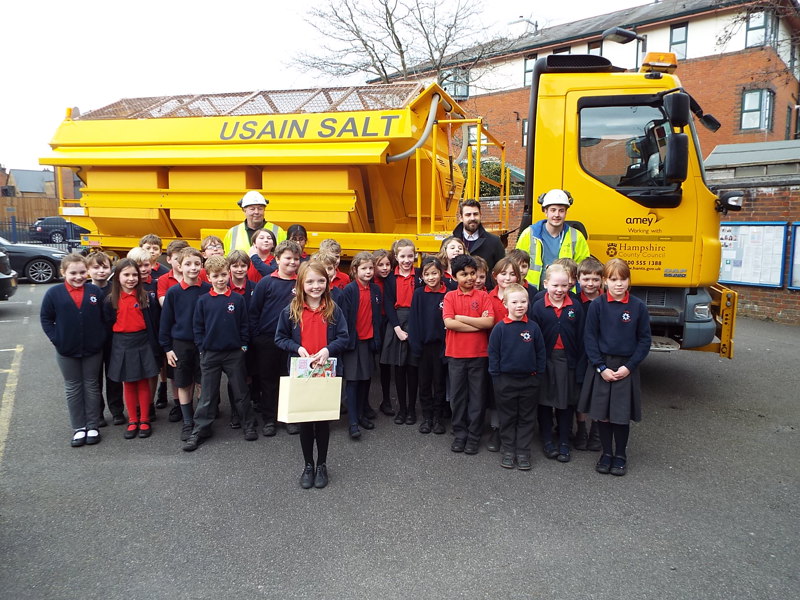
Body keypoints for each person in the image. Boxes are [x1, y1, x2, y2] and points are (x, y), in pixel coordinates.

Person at [274, 261, 349, 489]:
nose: (315, 286)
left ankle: (322, 464)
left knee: (322, 420)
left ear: (327, 283)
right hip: (302, 372)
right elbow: (279, 338)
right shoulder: (291, 311)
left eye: (320, 281)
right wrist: (297, 348)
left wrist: (328, 350)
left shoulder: (333, 309)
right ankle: (308, 465)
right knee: (306, 421)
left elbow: (344, 338)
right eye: (310, 282)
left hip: (326, 372)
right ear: (301, 284)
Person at [578, 258, 651, 477]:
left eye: (623, 279)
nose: (618, 284)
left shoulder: (638, 307)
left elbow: (645, 340)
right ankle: (606, 453)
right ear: (605, 281)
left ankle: (620, 455)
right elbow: (589, 338)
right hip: (602, 367)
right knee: (602, 415)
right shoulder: (598, 305)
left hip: (625, 367)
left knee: (620, 415)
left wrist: (629, 366)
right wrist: (600, 367)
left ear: (629, 281)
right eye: (613, 279)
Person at [184, 256, 258, 451]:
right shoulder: (203, 301)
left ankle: (248, 425)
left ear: (229, 274)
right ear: (208, 277)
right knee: (208, 394)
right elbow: (197, 327)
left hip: (234, 353)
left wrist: (243, 346)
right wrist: (201, 348)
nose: (220, 279)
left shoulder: (237, 299)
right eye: (215, 276)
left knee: (241, 392)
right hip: (210, 354)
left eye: (224, 274)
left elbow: (244, 324)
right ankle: (200, 430)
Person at [40, 255, 107, 447]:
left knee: (92, 385)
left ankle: (93, 425)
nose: (78, 277)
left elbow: (105, 317)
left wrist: (100, 337)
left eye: (82, 272)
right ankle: (79, 427)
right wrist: (56, 339)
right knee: (73, 387)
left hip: (93, 349)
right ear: (63, 273)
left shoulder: (94, 291)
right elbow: (46, 319)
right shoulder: (54, 293)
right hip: (66, 350)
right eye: (73, 273)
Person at [531, 264, 586, 464]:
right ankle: (547, 439)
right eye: (555, 285)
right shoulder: (538, 307)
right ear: (546, 284)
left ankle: (564, 440)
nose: (560, 290)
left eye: (564, 286)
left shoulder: (575, 307)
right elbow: (534, 338)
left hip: (567, 361)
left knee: (566, 403)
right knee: (545, 402)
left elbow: (581, 337)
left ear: (570, 285)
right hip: (545, 361)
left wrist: (579, 365)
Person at [488, 283, 546, 470]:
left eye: (523, 301)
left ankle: (523, 452)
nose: (519, 305)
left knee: (527, 418)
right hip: (505, 382)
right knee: (508, 417)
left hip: (529, 381)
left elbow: (541, 353)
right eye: (514, 302)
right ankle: (508, 450)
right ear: (505, 304)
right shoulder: (500, 329)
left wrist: (538, 376)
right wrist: (497, 379)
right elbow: (494, 355)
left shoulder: (533, 328)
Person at [249, 240, 302, 437]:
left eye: (296, 259)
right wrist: (256, 338)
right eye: (288, 258)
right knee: (268, 381)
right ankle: (269, 419)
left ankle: (288, 417)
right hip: (268, 340)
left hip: (293, 342)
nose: (292, 262)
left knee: (289, 380)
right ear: (277, 259)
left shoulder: (301, 283)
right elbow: (254, 311)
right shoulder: (266, 282)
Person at [443, 254, 494, 455]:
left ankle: (474, 435)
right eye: (464, 274)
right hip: (455, 355)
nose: (470, 278)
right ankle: (460, 433)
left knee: (477, 397)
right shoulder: (449, 297)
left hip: (479, 354)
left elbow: (489, 323)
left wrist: (462, 319)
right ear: (455, 277)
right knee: (457, 397)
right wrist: (477, 323)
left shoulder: (483, 296)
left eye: (473, 273)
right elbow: (449, 323)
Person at [105, 258, 162, 440]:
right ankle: (133, 420)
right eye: (126, 275)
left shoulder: (145, 297)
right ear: (117, 277)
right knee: (128, 383)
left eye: (134, 275)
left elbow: (153, 323)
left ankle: (145, 419)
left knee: (144, 382)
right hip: (122, 343)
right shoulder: (110, 299)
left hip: (142, 341)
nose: (131, 279)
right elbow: (108, 323)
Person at [159, 247, 212, 442]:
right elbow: (166, 322)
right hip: (180, 343)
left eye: (197, 264)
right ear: (179, 266)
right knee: (183, 382)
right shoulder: (173, 293)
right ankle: (188, 421)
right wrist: (167, 348)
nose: (193, 267)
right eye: (188, 264)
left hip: (203, 344)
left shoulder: (208, 289)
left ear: (202, 265)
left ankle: (201, 420)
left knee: (201, 381)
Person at [339, 252, 383, 439]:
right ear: (355, 269)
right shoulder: (348, 291)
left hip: (368, 340)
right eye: (364, 268)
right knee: (353, 380)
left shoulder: (375, 290)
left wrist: (376, 339)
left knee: (366, 379)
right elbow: (344, 318)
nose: (368, 271)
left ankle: (363, 413)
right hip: (353, 343)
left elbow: (377, 317)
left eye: (371, 268)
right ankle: (353, 421)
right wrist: (347, 340)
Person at [380, 238, 421, 425]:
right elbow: (388, 303)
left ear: (415, 256)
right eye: (402, 256)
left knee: (412, 369)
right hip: (397, 322)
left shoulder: (419, 276)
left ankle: (412, 409)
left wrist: (417, 328)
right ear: (396, 257)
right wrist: (396, 328)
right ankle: (401, 409)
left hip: (415, 321)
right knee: (399, 369)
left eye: (410, 256)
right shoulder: (390, 278)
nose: (406, 260)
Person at [515, 189, 590, 289]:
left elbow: (584, 268)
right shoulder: (528, 234)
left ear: (566, 212)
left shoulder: (576, 236)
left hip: (564, 293)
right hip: (532, 292)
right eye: (553, 210)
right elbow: (516, 264)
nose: (557, 215)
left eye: (561, 210)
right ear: (545, 212)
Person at [407, 256, 448, 435]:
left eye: (434, 273)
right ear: (422, 276)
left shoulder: (448, 292)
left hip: (441, 347)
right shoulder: (418, 294)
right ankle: (427, 417)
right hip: (423, 347)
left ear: (441, 273)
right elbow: (414, 321)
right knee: (424, 384)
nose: (431, 277)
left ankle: (438, 418)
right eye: (427, 274)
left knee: (439, 383)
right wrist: (415, 346)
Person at [87, 251, 124, 427]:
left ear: (110, 269)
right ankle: (98, 413)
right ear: (88, 270)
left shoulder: (115, 289)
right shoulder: (86, 290)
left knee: (114, 377)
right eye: (96, 267)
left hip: (113, 341)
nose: (100, 271)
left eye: (104, 267)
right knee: (94, 380)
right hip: (93, 343)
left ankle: (117, 411)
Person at [573, 256, 605, 452]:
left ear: (602, 280)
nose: (590, 284)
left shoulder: (606, 302)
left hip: (601, 355)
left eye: (595, 279)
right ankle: (581, 430)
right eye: (586, 279)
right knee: (581, 394)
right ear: (578, 279)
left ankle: (596, 431)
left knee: (599, 394)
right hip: (580, 354)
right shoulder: (575, 302)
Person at [372, 249, 395, 416]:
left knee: (385, 363)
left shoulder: (392, 280)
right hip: (374, 324)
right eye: (381, 265)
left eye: (387, 264)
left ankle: (386, 400)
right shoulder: (371, 281)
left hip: (388, 322)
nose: (385, 268)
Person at [452, 199, 505, 270]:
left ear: (480, 215)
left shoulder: (494, 242)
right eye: (468, 215)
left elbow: (502, 270)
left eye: (475, 214)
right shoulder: (449, 243)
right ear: (461, 218)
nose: (472, 218)